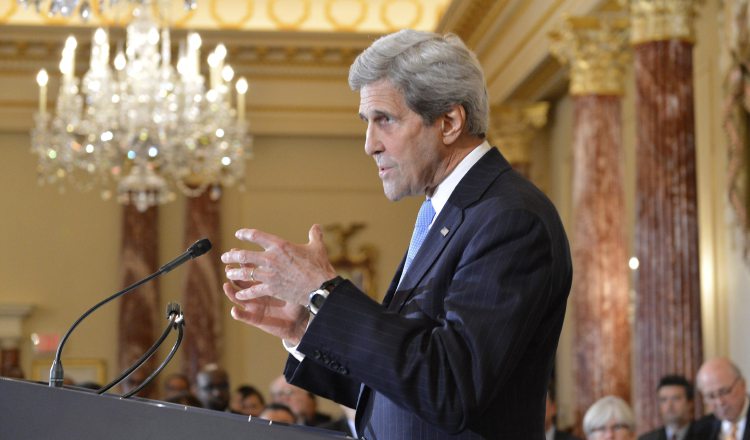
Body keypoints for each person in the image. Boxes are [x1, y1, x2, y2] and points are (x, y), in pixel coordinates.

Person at [221, 29, 572, 439]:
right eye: (366, 123)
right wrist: (307, 328)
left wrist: (324, 293)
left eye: (384, 120)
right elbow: (399, 386)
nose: (369, 144)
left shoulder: (509, 218)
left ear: (449, 122)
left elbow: (451, 388)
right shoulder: (446, 210)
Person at [695, 358, 749, 440]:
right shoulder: (700, 430)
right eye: (711, 396)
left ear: (742, 385)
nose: (720, 402)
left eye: (724, 392)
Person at [638, 375, 700, 440]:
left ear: (690, 403)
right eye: (663, 400)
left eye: (676, 398)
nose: (669, 406)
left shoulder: (706, 436)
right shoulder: (647, 439)